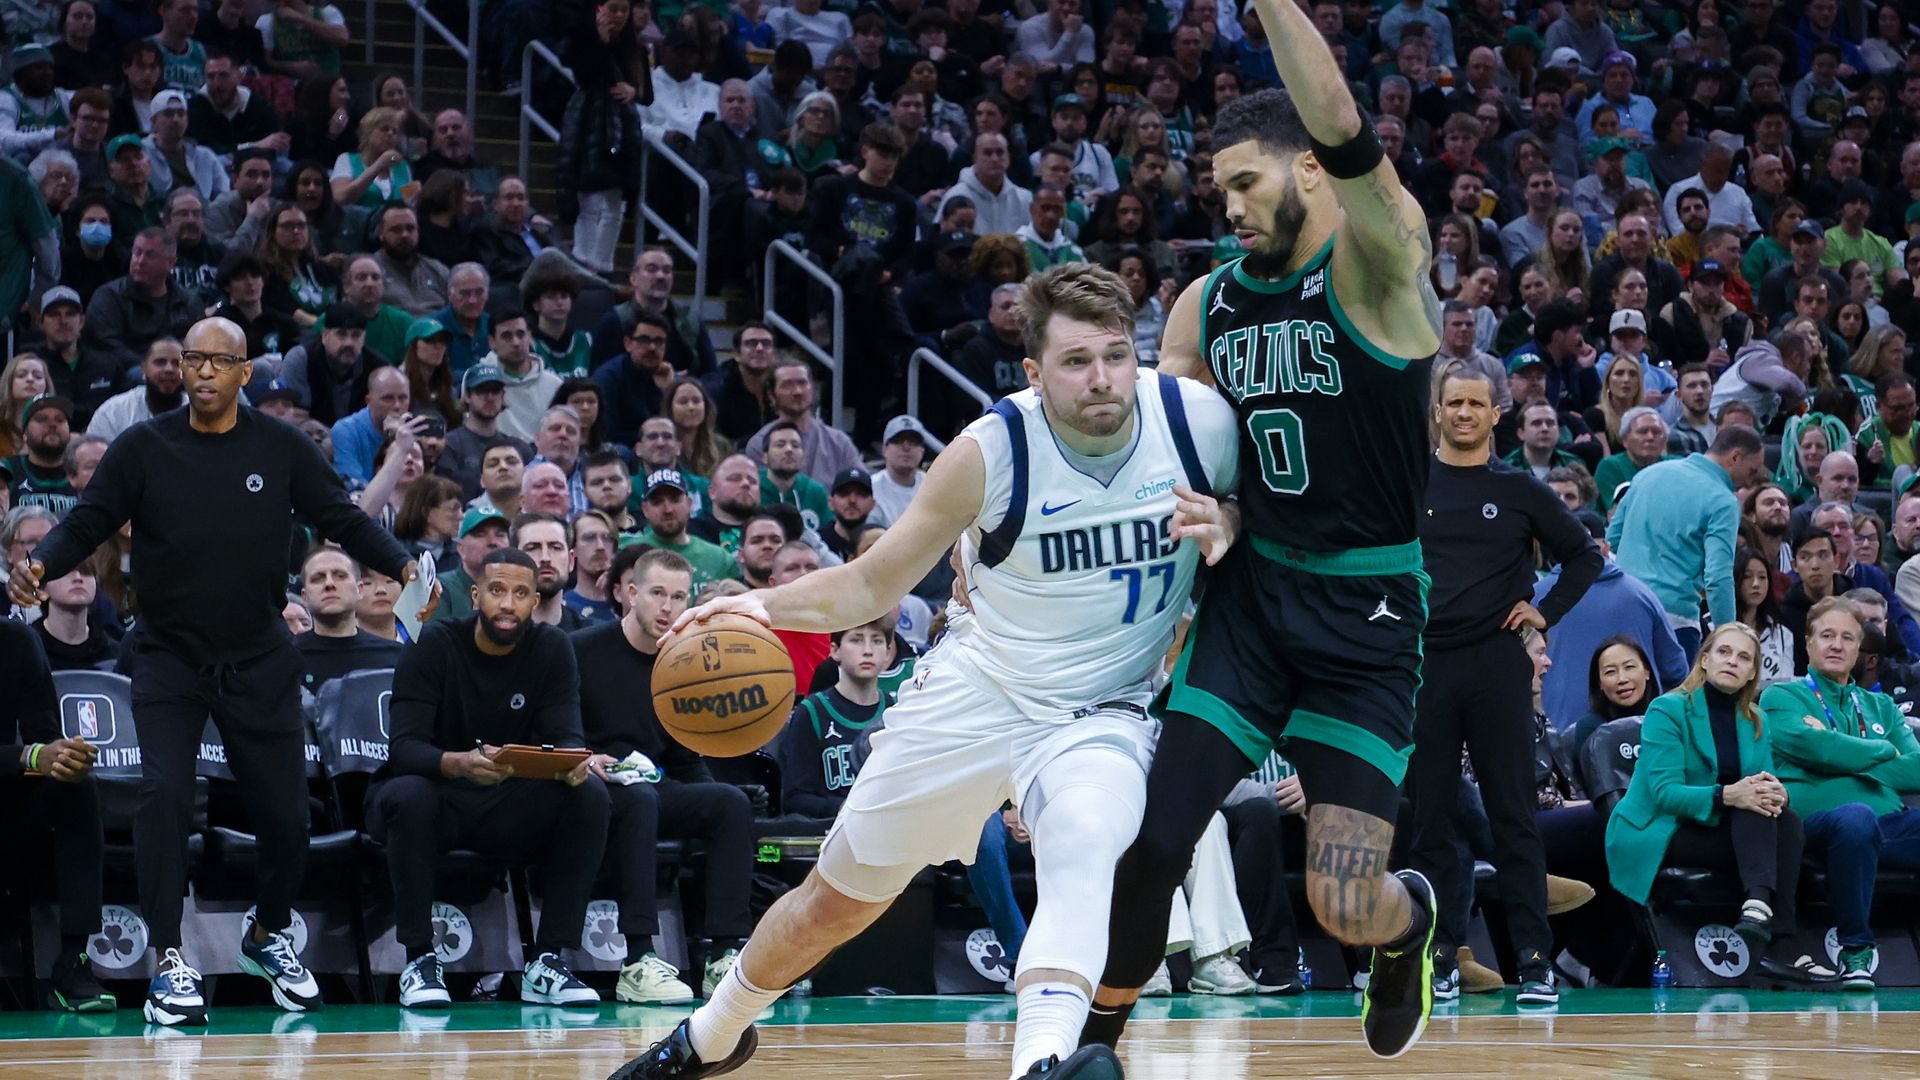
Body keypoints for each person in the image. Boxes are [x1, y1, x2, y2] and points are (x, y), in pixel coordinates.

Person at [611, 263, 1238, 1080]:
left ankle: (1041, 1061)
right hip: (978, 691)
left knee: (1085, 842)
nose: (1102, 379)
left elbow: (1269, 514)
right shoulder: (990, 452)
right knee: (833, 906)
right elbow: (873, 584)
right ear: (1034, 371)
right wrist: (756, 609)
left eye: (1117, 356)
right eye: (1077, 361)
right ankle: (711, 1035)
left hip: (1101, 706)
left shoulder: (1199, 425)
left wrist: (1228, 518)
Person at [1084, 43, 1447, 1060]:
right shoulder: (1208, 306)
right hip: (1252, 602)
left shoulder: (1379, 271)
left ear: (1310, 173)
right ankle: (1097, 1042)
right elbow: (1184, 454)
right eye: (1219, 188)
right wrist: (1221, 512)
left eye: (1245, 182)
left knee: (1342, 898)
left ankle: (1405, 924)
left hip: (1368, 621)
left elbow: (1344, 119)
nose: (1229, 206)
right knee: (1154, 841)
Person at [8, 316, 422, 1027]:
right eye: (189, 358)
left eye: (215, 361)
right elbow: (90, 517)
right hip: (167, 655)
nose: (200, 371)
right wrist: (41, 564)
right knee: (164, 799)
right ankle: (169, 958)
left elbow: (342, 519)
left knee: (289, 824)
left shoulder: (282, 445)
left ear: (243, 373)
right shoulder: (143, 447)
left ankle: (265, 934)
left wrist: (404, 562)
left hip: (260, 656)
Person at [1410, 367, 1602, 1002]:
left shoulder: (1519, 489)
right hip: (1424, 666)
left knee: (1515, 816)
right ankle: (1438, 957)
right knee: (1431, 820)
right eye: (1453, 403)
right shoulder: (1409, 482)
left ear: (1497, 415)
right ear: (1436, 412)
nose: (1464, 412)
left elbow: (1585, 557)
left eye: (1476, 403)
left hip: (1497, 664)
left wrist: (1544, 612)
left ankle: (1534, 959)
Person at [372, 547, 607, 1008]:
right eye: (497, 591)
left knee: (590, 797)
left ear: (535, 601)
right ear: (477, 595)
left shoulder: (553, 648)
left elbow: (565, 739)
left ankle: (547, 962)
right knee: (410, 795)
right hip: (435, 797)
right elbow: (403, 749)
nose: (508, 604)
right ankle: (419, 960)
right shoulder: (434, 643)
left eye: (521, 594)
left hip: (505, 801)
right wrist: (459, 762)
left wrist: (572, 767)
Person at [573, 545, 757, 1003]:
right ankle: (637, 959)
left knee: (731, 803)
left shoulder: (682, 661)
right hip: (593, 788)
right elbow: (557, 732)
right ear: (631, 593)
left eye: (679, 597)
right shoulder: (579, 649)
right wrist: (587, 758)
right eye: (657, 593)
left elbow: (683, 759)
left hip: (655, 785)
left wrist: (709, 798)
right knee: (639, 798)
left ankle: (724, 955)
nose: (668, 607)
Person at [1603, 623, 1833, 982]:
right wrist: (1728, 794)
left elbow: (1763, 783)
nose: (1732, 662)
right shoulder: (1667, 710)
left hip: (1726, 825)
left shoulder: (1755, 720)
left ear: (1753, 672)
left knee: (1783, 817)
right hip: (1661, 827)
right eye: (1724, 652)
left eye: (1744, 658)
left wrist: (1778, 793)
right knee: (1748, 806)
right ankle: (1770, 924)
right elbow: (1664, 793)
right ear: (1705, 659)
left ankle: (1771, 925)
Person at [1763, 596, 1920, 990]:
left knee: (1866, 821)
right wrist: (1884, 751)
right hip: (1815, 826)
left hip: (1889, 825)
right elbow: (1815, 748)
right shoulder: (1780, 697)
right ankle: (1856, 951)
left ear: (1859, 649)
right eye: (1827, 635)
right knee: (1855, 818)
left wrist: (1838, 753)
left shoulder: (1880, 705)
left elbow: (1917, 766)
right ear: (1808, 643)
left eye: (1847, 638)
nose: (1837, 645)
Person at [0, 613, 114, 1012]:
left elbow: (44, 738)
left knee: (75, 785)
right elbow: (32, 752)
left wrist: (65, 758)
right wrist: (32, 756)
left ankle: (73, 963)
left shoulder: (16, 640)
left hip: (8, 817)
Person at [1607, 427, 1768, 660]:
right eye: (1752, 471)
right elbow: (1717, 578)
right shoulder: (1723, 501)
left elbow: (1611, 540)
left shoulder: (1648, 474)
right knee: (1677, 697)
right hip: (1673, 621)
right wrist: (1729, 636)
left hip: (1621, 608)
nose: (1750, 481)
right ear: (1735, 457)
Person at [294, 546, 404, 692]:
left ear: (360, 589)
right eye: (317, 578)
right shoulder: (286, 657)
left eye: (340, 576)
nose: (329, 584)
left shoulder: (394, 656)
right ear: (305, 597)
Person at [744, 359, 862, 488]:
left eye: (802, 383)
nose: (797, 392)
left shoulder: (839, 442)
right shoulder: (759, 444)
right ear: (772, 396)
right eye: (787, 385)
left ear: (812, 389)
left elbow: (861, 488)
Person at [87, 336, 182, 442]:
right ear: (143, 370)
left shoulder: (199, 411)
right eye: (160, 362)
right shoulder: (112, 413)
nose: (169, 369)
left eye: (176, 363)